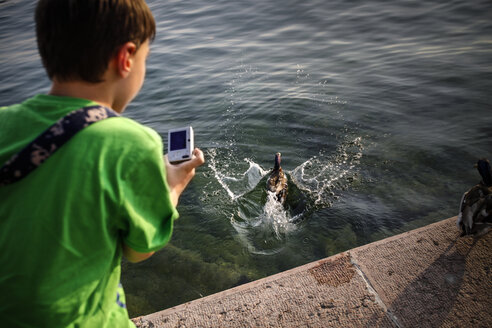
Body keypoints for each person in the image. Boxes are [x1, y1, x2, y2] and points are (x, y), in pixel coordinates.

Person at [0, 0, 205, 327]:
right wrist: (172, 188)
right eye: (145, 59)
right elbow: (139, 249)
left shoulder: (4, 123)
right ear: (125, 58)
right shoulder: (133, 143)